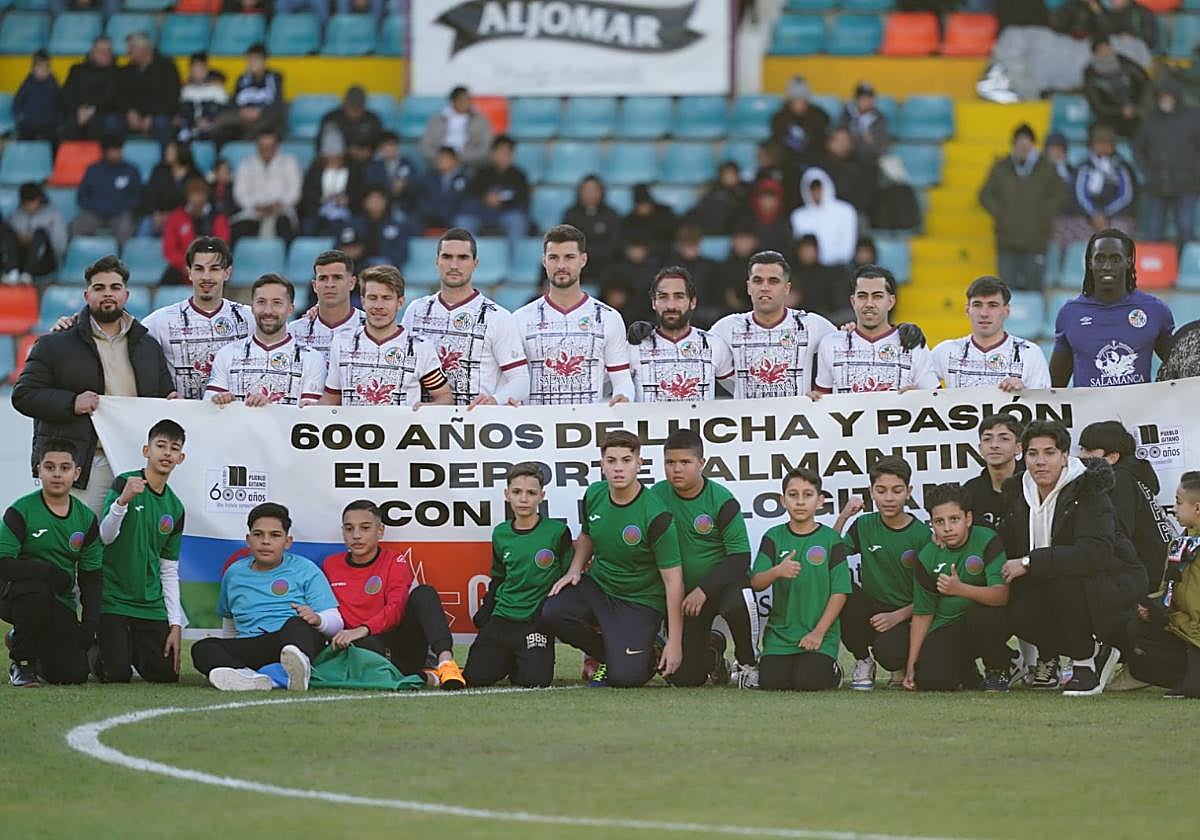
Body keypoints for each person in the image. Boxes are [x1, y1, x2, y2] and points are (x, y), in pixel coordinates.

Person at [12, 256, 175, 515]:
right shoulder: (55, 344)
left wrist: (173, 403)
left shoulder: (148, 346)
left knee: (129, 545)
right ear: (87, 295)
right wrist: (71, 403)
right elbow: (23, 395)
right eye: (99, 288)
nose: (107, 294)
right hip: (84, 463)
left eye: (115, 287)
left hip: (135, 461)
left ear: (126, 295)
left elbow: (165, 396)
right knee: (78, 541)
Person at [999, 420, 1144, 695]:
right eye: (1033, 454)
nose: (1040, 461)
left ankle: (1084, 664)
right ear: (1023, 456)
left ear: (1065, 457)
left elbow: (1094, 555)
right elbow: (1008, 542)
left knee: (1065, 578)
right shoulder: (1018, 491)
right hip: (1053, 582)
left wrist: (1029, 562)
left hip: (1109, 582)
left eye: (1049, 452)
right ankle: (1097, 652)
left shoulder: (1089, 491)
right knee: (1014, 610)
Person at [541, 430, 684, 687]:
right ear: (602, 465)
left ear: (639, 464)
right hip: (601, 586)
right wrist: (575, 569)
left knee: (625, 678)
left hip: (639, 601)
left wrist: (675, 641)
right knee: (552, 612)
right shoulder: (594, 495)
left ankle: (652, 647)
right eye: (611, 461)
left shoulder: (656, 515)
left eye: (626, 460)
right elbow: (588, 534)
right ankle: (606, 654)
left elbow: (674, 581)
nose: (618, 468)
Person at [191, 503, 342, 691]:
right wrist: (232, 649)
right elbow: (229, 620)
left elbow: (336, 621)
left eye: (275, 535)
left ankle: (292, 670)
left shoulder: (306, 569)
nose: (265, 541)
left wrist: (318, 619)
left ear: (288, 541)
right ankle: (252, 677)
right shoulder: (234, 573)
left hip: (290, 641)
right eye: (258, 534)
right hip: (253, 644)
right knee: (203, 647)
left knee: (297, 625)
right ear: (248, 540)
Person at [323, 499, 466, 689]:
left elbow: (396, 608)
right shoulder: (330, 565)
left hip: (399, 642)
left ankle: (446, 664)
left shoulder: (394, 560)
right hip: (361, 645)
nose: (356, 535)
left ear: (380, 531)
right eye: (349, 529)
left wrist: (363, 628)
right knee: (362, 646)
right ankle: (423, 677)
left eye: (365, 528)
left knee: (424, 593)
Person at [652, 430, 757, 688]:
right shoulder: (655, 497)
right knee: (685, 679)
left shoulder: (721, 499)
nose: (676, 469)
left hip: (719, 588)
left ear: (702, 463)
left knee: (739, 598)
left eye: (685, 462)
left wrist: (704, 589)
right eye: (670, 462)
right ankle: (712, 651)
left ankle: (747, 663)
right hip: (684, 597)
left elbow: (740, 557)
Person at [0, 439, 103, 686]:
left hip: (60, 601)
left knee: (72, 675)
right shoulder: (21, 510)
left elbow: (91, 578)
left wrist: (89, 624)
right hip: (15, 596)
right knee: (37, 591)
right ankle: (22, 664)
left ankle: (24, 639)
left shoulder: (86, 519)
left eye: (65, 468)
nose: (57, 474)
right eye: (50, 467)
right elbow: (3, 564)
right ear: (38, 470)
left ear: (76, 473)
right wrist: (47, 571)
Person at [95, 419, 187, 684]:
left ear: (181, 457)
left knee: (166, 675)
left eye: (174, 448)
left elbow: (168, 569)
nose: (167, 453)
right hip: (113, 597)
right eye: (161, 445)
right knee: (116, 675)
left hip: (149, 604)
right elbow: (106, 536)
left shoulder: (176, 508)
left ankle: (128, 644)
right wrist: (122, 501)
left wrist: (175, 624)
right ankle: (95, 644)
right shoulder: (124, 483)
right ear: (146, 451)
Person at [464, 464, 572, 688]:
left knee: (535, 681)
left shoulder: (557, 532)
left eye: (531, 493)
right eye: (517, 492)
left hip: (534, 621)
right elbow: (499, 577)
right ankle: (508, 657)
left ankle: (520, 660)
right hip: (503, 616)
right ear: (507, 495)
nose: (524, 499)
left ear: (541, 496)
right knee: (475, 677)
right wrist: (487, 612)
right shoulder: (501, 533)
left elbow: (568, 579)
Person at [905, 483, 1016, 692]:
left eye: (954, 519)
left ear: (968, 518)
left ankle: (998, 668)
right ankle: (966, 671)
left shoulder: (987, 539)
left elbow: (1001, 596)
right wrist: (911, 666)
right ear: (932, 525)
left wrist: (960, 589)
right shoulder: (927, 557)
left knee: (985, 615)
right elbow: (922, 614)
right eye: (939, 522)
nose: (947, 528)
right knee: (932, 681)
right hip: (948, 627)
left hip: (983, 622)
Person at [400, 229, 529, 407]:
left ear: (475, 263)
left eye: (462, 257)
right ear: (437, 261)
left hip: (476, 426)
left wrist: (494, 400)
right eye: (447, 257)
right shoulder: (416, 310)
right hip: (424, 423)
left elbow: (521, 380)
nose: (454, 265)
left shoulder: (497, 317)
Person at [750, 468, 850, 691]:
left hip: (819, 635)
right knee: (772, 683)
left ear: (820, 501)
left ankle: (832, 670)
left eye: (808, 495)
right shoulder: (773, 536)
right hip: (780, 635)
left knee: (809, 682)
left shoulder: (831, 539)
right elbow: (756, 582)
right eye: (793, 495)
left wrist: (818, 632)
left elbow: (840, 591)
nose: (800, 501)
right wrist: (777, 571)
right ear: (782, 500)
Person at [835, 456, 930, 691]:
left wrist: (897, 616)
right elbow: (830, 554)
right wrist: (844, 516)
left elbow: (931, 591)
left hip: (906, 613)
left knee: (890, 654)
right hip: (871, 608)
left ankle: (900, 665)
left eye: (896, 490)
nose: (888, 498)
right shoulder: (864, 524)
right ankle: (862, 660)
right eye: (881, 490)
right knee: (839, 586)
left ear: (908, 491)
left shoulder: (921, 534)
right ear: (871, 491)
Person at [512, 225, 634, 406]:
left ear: (583, 260)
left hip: (590, 427)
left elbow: (622, 379)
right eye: (554, 257)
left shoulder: (609, 318)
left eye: (569, 257)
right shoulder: (520, 319)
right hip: (537, 427)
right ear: (544, 261)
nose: (561, 265)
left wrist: (624, 398)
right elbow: (512, 380)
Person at [1112, 471, 1200, 698]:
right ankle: (1184, 676)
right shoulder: (1179, 543)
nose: (1173, 509)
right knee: (1135, 627)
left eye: (1179, 503)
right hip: (1184, 629)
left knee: (1192, 690)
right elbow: (1168, 588)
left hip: (1194, 632)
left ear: (1197, 508)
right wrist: (1153, 606)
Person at [1051, 229, 1174, 387]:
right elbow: (1056, 384)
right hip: (1088, 412)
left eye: (1115, 259)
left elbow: (1178, 369)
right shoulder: (1070, 313)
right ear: (1090, 262)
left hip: (1138, 411)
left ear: (1129, 261)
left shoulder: (1155, 310)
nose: (1107, 266)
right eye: (1100, 259)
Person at [711, 250, 836, 400]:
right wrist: (739, 390)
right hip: (749, 420)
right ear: (749, 287)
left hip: (797, 421)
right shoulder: (727, 327)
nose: (765, 287)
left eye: (773, 281)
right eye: (758, 281)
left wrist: (823, 392)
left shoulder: (811, 324)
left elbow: (847, 347)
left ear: (787, 288)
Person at [321, 265, 452, 407]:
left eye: (386, 298)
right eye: (372, 298)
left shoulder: (420, 346)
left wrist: (428, 408)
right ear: (363, 301)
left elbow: (444, 397)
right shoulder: (342, 342)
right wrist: (307, 411)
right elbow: (331, 399)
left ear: (400, 302)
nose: (378, 305)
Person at [142, 237, 252, 400]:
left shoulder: (249, 317)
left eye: (214, 269)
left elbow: (288, 341)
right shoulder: (160, 321)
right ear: (189, 272)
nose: (206, 277)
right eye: (199, 269)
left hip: (233, 419)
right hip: (182, 419)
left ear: (227, 273)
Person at [1078, 421, 1171, 599]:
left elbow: (1119, 535)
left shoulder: (1119, 480)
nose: (1081, 456)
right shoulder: (1131, 473)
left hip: (1146, 579)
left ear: (1112, 457)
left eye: (1089, 451)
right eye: (1081, 449)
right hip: (1152, 571)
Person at [813, 264, 939, 396]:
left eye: (877, 296)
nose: (869, 304)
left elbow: (937, 400)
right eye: (862, 296)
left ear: (891, 302)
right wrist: (812, 399)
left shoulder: (912, 344)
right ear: (853, 301)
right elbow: (822, 399)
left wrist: (920, 397)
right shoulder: (831, 344)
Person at [205, 274, 326, 407]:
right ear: (252, 307)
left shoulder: (312, 358)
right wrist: (221, 401)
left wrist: (269, 408)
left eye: (277, 303)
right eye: (261, 302)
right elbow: (209, 407)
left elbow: (311, 416)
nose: (268, 311)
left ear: (290, 309)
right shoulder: (227, 353)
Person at [627, 267, 734, 402]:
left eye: (679, 297)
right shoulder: (635, 346)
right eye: (663, 297)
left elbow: (740, 390)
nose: (671, 305)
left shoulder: (714, 345)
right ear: (654, 303)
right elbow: (609, 387)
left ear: (693, 302)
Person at [979, 124, 1063, 292]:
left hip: (1036, 240)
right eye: (1020, 144)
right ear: (1013, 145)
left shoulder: (1047, 168)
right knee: (1006, 293)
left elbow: (1059, 196)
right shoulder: (1000, 168)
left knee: (1034, 291)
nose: (1024, 147)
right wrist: (1001, 214)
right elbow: (984, 195)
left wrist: (1042, 215)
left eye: (1027, 144)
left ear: (1033, 145)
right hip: (1007, 241)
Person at [932, 276, 1051, 390]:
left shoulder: (1030, 353)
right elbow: (919, 390)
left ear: (1006, 311)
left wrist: (1024, 392)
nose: (984, 313)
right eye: (977, 305)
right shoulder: (946, 351)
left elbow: (1044, 404)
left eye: (993, 305)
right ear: (968, 310)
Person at [1133, 82, 1200, 253]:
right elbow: (1139, 149)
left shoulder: (1193, 117)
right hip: (1156, 185)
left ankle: (1187, 271)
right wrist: (1147, 172)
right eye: (1162, 96)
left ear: (1177, 97)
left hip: (1187, 184)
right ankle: (1156, 273)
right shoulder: (1150, 120)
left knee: (1186, 228)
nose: (1165, 100)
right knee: (1154, 232)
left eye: (1169, 96)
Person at [458, 135, 531, 255]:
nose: (503, 157)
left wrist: (503, 202)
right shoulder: (482, 173)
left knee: (518, 221)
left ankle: (510, 262)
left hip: (506, 213)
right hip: (482, 213)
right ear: (493, 154)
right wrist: (485, 199)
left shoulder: (519, 176)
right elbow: (469, 197)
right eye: (500, 153)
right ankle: (469, 258)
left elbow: (523, 201)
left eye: (507, 153)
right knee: (463, 221)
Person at [287, 250, 365, 363]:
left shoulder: (369, 327)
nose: (330, 285)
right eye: (323, 278)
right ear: (314, 285)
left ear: (352, 283)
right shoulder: (294, 331)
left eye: (337, 278)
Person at [70, 134, 142, 247]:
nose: (118, 153)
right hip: (95, 213)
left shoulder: (131, 170)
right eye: (114, 150)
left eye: (120, 149)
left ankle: (121, 261)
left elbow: (137, 197)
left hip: (119, 213)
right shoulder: (93, 170)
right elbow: (81, 197)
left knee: (125, 227)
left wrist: (120, 207)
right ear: (105, 152)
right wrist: (98, 207)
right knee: (76, 227)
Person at [231, 129, 302, 242]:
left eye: (270, 146)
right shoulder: (246, 165)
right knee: (239, 229)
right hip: (254, 211)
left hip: (281, 210)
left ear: (276, 146)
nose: (266, 149)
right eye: (263, 146)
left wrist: (279, 204)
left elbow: (294, 192)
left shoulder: (289, 163)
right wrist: (255, 205)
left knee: (284, 225)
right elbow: (240, 194)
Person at [1069, 124, 1137, 240]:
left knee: (1120, 231)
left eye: (1107, 143)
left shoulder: (1122, 167)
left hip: (1115, 215)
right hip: (1088, 217)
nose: (1103, 147)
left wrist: (1105, 214)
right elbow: (1079, 195)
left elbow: (1126, 196)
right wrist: (1094, 214)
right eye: (1099, 143)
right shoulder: (1084, 168)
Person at [162, 178, 232, 284]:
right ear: (188, 196)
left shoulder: (217, 216)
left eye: (201, 194)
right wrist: (186, 264)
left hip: (211, 263)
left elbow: (221, 244)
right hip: (183, 266)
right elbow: (170, 248)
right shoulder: (176, 217)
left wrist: (205, 263)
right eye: (194, 194)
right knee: (170, 275)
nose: (197, 198)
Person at [211, 43, 284, 144]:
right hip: (241, 118)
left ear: (264, 61)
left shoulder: (274, 78)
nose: (251, 63)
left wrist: (258, 112)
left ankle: (246, 139)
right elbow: (233, 103)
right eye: (249, 60)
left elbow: (277, 104)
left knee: (269, 121)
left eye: (255, 59)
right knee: (222, 120)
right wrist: (241, 112)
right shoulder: (242, 79)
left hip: (263, 117)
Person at [962, 414, 1025, 531]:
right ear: (980, 448)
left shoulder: (1032, 486)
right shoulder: (969, 491)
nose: (994, 445)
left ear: (1018, 447)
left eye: (1004, 439)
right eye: (987, 439)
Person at [116, 32, 180, 144]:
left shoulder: (166, 67)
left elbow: (171, 97)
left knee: (161, 123)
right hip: (133, 115)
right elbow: (120, 95)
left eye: (132, 48)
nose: (128, 52)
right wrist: (129, 111)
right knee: (112, 122)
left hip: (160, 114)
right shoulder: (125, 71)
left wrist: (152, 115)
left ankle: (167, 157)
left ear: (144, 49)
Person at [788, 169, 857, 269]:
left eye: (819, 188)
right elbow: (803, 247)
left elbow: (848, 245)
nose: (816, 193)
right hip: (809, 270)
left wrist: (829, 261)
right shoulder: (798, 216)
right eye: (813, 189)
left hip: (839, 268)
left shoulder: (845, 211)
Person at [1, 182, 67, 283]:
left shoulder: (52, 215)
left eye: (32, 202)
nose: (29, 206)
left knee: (40, 233)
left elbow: (60, 246)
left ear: (39, 200)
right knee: (7, 230)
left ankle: (28, 273)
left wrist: (35, 242)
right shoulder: (16, 214)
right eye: (26, 203)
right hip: (21, 259)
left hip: (43, 261)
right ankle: (12, 271)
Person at [1083, 36, 1148, 138]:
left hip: (1135, 113)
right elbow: (1097, 105)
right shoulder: (1090, 75)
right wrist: (1121, 110)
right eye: (1101, 50)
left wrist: (1135, 106)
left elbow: (1145, 83)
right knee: (1102, 133)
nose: (1106, 52)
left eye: (1107, 48)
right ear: (1095, 53)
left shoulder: (1125, 63)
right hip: (1109, 118)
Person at [563, 175, 623, 283]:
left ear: (601, 192)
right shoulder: (571, 214)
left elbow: (615, 243)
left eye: (593, 190)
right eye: (586, 190)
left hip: (604, 263)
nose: (590, 194)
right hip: (578, 262)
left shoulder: (611, 214)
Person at [61, 36, 120, 141]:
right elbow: (67, 94)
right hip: (78, 111)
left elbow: (111, 97)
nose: (106, 54)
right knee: (69, 123)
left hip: (102, 112)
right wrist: (79, 110)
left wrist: (91, 111)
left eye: (109, 51)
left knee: (97, 124)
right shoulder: (77, 70)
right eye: (102, 51)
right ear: (93, 53)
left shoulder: (116, 72)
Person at [139, 141, 202, 238]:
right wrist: (156, 213)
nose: (166, 153)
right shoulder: (159, 170)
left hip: (184, 217)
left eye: (170, 151)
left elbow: (195, 201)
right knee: (146, 224)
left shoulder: (195, 175)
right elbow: (151, 194)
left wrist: (172, 216)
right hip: (158, 216)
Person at [419, 86, 493, 169]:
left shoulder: (480, 121)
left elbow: (485, 146)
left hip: (469, 163)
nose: (466, 103)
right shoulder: (437, 120)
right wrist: (442, 158)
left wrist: (461, 158)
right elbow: (425, 145)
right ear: (453, 101)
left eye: (468, 99)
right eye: (461, 100)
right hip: (440, 162)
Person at [769, 76, 830, 171]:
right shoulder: (780, 119)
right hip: (787, 163)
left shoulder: (818, 117)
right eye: (794, 100)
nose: (798, 104)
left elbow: (820, 142)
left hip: (813, 160)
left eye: (801, 100)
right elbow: (777, 140)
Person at [821, 127, 877, 220]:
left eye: (845, 140)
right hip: (823, 212)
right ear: (828, 143)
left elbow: (866, 197)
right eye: (837, 140)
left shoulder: (862, 167)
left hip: (852, 212)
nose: (841, 144)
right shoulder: (819, 166)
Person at [345, 187, 409, 268]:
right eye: (372, 200)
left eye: (378, 200)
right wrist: (350, 254)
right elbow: (339, 248)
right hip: (359, 268)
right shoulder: (353, 224)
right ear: (364, 202)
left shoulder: (396, 225)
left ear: (385, 202)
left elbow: (402, 252)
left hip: (387, 269)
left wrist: (387, 262)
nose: (375, 203)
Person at [316, 86, 383, 163]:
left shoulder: (373, 119)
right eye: (352, 109)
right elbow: (321, 146)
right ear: (345, 104)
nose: (354, 114)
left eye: (358, 109)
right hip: (339, 163)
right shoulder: (331, 118)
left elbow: (381, 143)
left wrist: (369, 151)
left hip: (368, 163)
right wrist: (347, 151)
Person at [685, 161, 749, 236]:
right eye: (727, 174)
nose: (730, 177)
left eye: (733, 174)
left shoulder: (745, 191)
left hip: (735, 231)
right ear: (721, 175)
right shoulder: (713, 191)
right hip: (713, 229)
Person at [176, 52, 227, 143]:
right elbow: (180, 115)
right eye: (195, 68)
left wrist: (209, 120)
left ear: (206, 69)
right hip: (188, 129)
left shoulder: (217, 90)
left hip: (211, 129)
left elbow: (224, 113)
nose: (198, 72)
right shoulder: (185, 91)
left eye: (201, 68)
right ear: (190, 70)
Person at [416, 146, 470, 230]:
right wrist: (432, 212)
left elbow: (468, 201)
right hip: (432, 217)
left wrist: (449, 212)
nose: (442, 161)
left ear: (455, 160)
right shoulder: (428, 178)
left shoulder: (466, 178)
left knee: (463, 221)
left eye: (446, 158)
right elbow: (423, 199)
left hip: (455, 216)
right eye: (440, 159)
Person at [13, 50, 62, 142]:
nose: (43, 70)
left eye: (47, 67)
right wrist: (20, 117)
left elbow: (59, 101)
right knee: (24, 138)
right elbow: (17, 101)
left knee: (55, 139)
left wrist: (58, 118)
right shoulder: (27, 84)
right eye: (40, 66)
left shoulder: (53, 83)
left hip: (49, 122)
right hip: (30, 122)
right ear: (33, 69)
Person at [838, 82, 891, 164]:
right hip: (847, 157)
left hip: (870, 159)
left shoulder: (879, 118)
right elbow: (841, 134)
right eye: (863, 98)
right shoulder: (847, 114)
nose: (866, 101)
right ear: (856, 99)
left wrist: (867, 138)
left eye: (869, 98)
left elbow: (880, 145)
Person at [623, 184, 679, 256]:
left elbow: (676, 234)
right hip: (642, 260)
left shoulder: (665, 214)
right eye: (640, 205)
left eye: (645, 204)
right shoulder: (629, 221)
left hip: (666, 256)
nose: (643, 208)